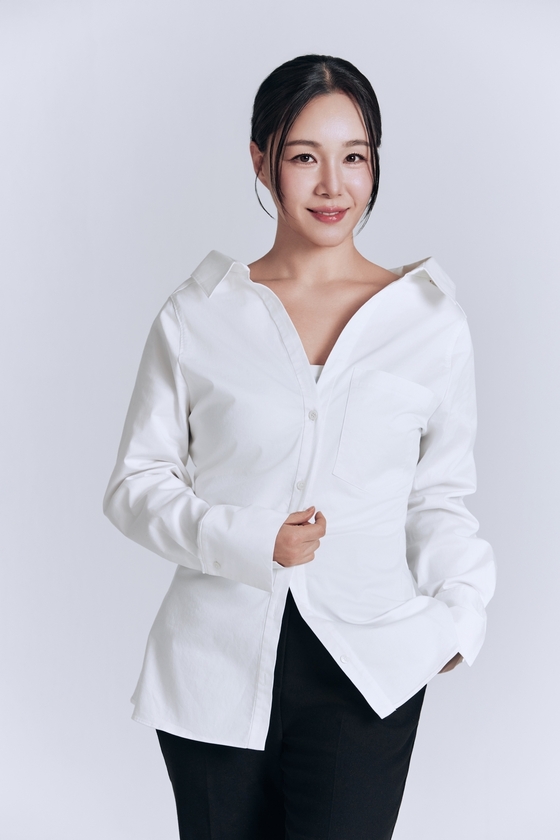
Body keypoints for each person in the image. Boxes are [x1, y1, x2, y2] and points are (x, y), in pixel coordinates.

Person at [103, 54, 496, 840]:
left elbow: (440, 497)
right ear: (262, 162)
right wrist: (253, 539)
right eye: (304, 157)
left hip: (368, 670)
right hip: (212, 671)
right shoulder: (198, 315)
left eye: (355, 157)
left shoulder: (430, 323)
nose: (333, 185)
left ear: (375, 163)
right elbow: (135, 484)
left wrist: (459, 619)